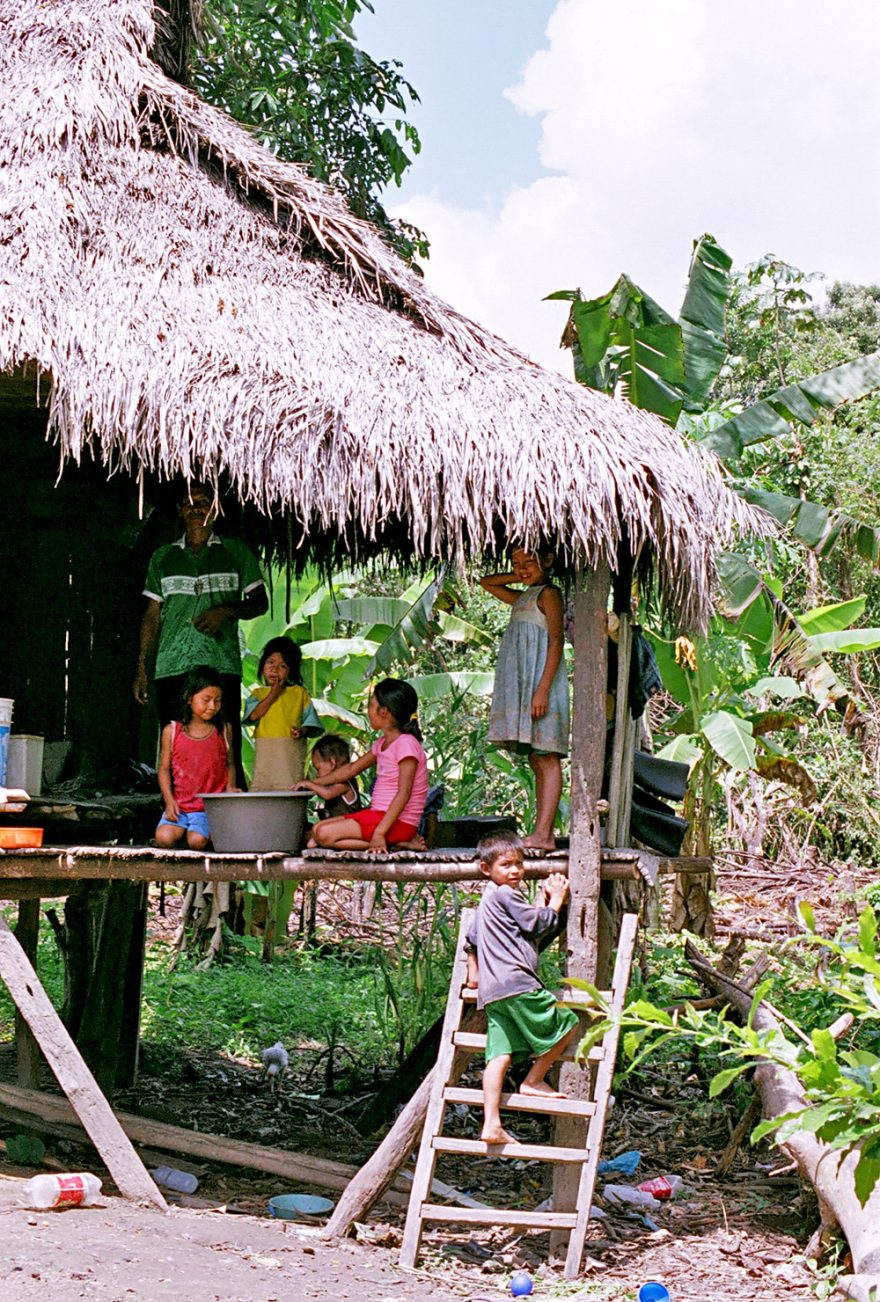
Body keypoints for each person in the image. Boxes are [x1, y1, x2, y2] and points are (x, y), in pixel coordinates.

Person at [133, 483, 268, 788]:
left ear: (215, 509)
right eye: (189, 504)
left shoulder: (236, 553)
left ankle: (230, 816)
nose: (196, 509)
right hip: (172, 665)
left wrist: (225, 611)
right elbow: (152, 615)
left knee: (225, 741)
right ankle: (178, 814)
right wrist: (142, 665)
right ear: (180, 511)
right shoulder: (163, 557)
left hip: (221, 664)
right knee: (176, 743)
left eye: (204, 502)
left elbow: (260, 602)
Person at [465, 829, 579, 1144]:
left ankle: (491, 1123)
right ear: (486, 869)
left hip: (492, 992)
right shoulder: (505, 894)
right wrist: (555, 900)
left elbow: (472, 940)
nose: (515, 871)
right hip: (517, 983)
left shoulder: (487, 899)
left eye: (519, 863)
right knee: (567, 1023)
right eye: (506, 865)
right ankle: (534, 1080)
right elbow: (536, 924)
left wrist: (473, 975)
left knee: (498, 1056)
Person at [480, 548, 569, 850]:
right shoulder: (522, 597)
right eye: (516, 564)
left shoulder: (549, 594)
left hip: (541, 684)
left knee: (547, 755)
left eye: (528, 562)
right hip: (526, 685)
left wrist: (542, 689)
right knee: (536, 757)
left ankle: (544, 833)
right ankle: (542, 831)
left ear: (548, 559)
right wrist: (519, 573)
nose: (521, 569)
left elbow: (557, 641)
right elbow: (486, 582)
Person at [299, 679, 427, 852]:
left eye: (371, 706)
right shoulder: (382, 743)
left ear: (384, 712)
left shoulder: (406, 744)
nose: (368, 711)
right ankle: (395, 844)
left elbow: (404, 793)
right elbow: (351, 769)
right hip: (378, 816)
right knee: (316, 830)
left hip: (398, 823)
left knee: (322, 834)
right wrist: (313, 784)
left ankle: (393, 843)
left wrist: (380, 833)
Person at [155, 666, 236, 849]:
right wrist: (169, 801)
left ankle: (199, 832)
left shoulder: (223, 730)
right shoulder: (172, 731)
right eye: (206, 700)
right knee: (163, 838)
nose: (212, 706)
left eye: (218, 700)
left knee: (197, 842)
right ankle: (188, 831)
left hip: (209, 809)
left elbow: (230, 764)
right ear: (189, 698)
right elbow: (164, 769)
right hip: (180, 807)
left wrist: (230, 786)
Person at [244, 637, 319, 790]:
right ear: (262, 665)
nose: (274, 669)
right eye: (270, 662)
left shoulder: (299, 693)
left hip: (289, 754)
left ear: (291, 671)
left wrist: (302, 731)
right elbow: (253, 716)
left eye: (282, 665)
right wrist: (273, 694)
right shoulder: (257, 693)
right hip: (265, 754)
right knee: (261, 789)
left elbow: (311, 724)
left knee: (289, 788)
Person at [297, 733, 362, 821]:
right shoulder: (334, 783)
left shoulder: (344, 783)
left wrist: (309, 784)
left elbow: (328, 794)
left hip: (348, 829)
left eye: (318, 768)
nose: (317, 774)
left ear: (332, 763)